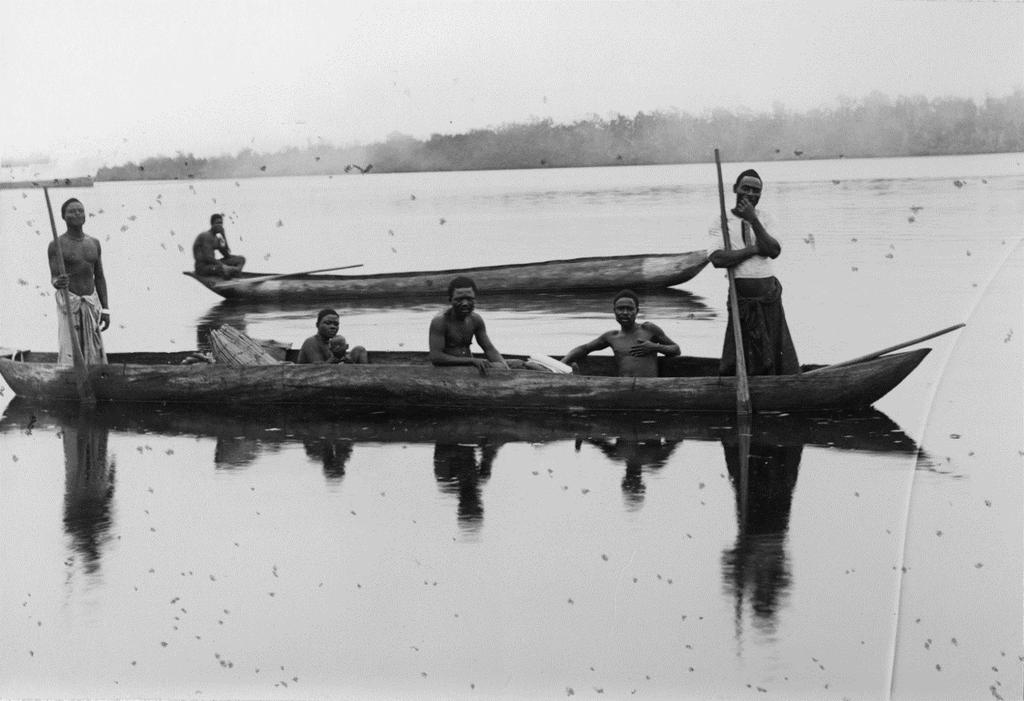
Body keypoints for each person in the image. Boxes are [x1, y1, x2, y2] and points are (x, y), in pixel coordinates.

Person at [707, 169, 800, 376]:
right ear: (735, 189)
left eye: (756, 190)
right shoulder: (722, 221)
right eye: (745, 188)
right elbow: (717, 259)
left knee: (776, 353)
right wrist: (755, 249)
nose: (750, 194)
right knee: (742, 355)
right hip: (742, 301)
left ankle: (779, 387)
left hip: (770, 299)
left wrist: (753, 220)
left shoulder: (766, 219)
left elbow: (774, 251)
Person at [560, 290, 680, 377]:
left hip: (648, 386)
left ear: (636, 311)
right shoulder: (611, 336)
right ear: (614, 311)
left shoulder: (649, 329)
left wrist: (654, 347)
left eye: (629, 309)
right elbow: (584, 348)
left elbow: (676, 349)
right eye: (621, 308)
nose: (625, 312)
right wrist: (562, 363)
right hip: (623, 386)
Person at [48, 198, 109, 367]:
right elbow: (53, 277)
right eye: (72, 211)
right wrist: (58, 281)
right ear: (63, 217)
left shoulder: (94, 243)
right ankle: (69, 378)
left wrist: (105, 309)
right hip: (70, 302)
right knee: (71, 350)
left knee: (94, 351)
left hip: (91, 303)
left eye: (80, 210)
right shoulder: (56, 245)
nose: (77, 214)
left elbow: (100, 276)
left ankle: (96, 375)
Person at [428, 276, 510, 374]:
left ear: (475, 299)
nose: (465, 303)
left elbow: (489, 349)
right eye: (459, 299)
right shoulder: (440, 321)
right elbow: (436, 357)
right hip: (447, 370)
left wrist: (504, 366)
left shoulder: (476, 320)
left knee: (519, 364)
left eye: (469, 299)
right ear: (450, 300)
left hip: (469, 367)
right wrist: (472, 361)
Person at [296, 308, 367, 364]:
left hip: (332, 373)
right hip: (316, 377)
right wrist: (334, 359)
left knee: (359, 349)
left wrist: (345, 359)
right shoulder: (311, 342)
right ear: (317, 325)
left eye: (336, 324)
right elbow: (318, 369)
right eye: (328, 323)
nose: (333, 327)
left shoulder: (331, 342)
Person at [192, 213, 246, 278]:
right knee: (222, 269)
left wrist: (223, 235)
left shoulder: (218, 238)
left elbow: (226, 255)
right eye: (217, 223)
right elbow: (208, 258)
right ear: (212, 224)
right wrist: (224, 266)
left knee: (241, 259)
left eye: (221, 223)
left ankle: (234, 271)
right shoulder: (206, 236)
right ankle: (233, 271)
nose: (220, 225)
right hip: (202, 267)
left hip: (213, 265)